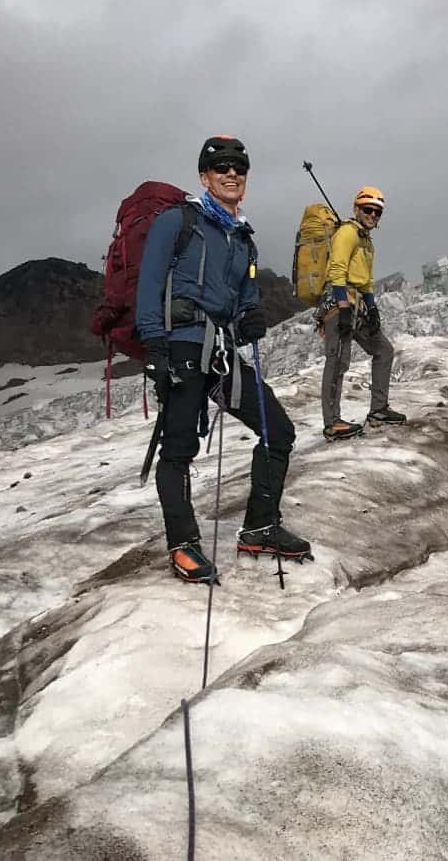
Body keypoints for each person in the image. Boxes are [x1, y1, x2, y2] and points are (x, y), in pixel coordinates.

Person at [136, 136, 310, 583]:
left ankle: (259, 527)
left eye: (239, 168)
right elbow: (150, 284)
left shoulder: (243, 240)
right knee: (177, 447)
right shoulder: (178, 222)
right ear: (204, 177)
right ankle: (184, 544)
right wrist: (155, 349)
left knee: (278, 430)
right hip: (182, 345)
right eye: (221, 168)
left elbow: (246, 294)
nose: (231, 174)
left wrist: (251, 313)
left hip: (220, 350)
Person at [317, 186, 405, 440]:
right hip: (339, 302)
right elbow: (337, 270)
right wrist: (343, 307)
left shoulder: (366, 241)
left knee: (383, 350)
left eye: (377, 212)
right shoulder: (347, 233)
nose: (373, 215)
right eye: (368, 210)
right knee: (337, 360)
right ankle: (332, 423)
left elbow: (365, 281)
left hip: (358, 305)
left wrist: (372, 306)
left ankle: (378, 409)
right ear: (356, 209)